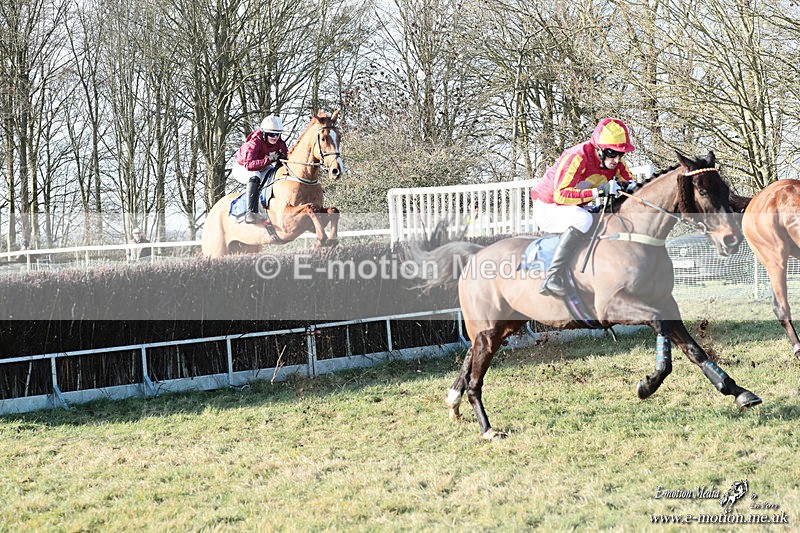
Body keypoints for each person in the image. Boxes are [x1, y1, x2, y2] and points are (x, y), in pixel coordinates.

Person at [530, 117, 637, 297]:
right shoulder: (577, 156)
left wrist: (629, 186)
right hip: (548, 207)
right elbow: (560, 195)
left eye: (621, 154)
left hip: (573, 207)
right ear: (599, 149)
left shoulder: (614, 162)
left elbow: (631, 182)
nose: (616, 159)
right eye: (611, 153)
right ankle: (552, 277)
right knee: (584, 219)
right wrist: (599, 191)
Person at [231, 115, 289, 223]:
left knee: (274, 175)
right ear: (264, 133)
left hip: (262, 166)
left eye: (277, 134)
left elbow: (287, 158)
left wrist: (284, 158)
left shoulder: (280, 143)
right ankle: (250, 212)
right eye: (272, 134)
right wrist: (269, 160)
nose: (275, 137)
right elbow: (249, 165)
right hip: (242, 167)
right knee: (255, 176)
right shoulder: (254, 142)